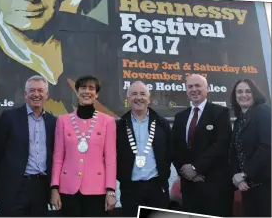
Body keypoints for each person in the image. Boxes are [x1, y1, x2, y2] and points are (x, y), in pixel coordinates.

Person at [50, 75, 117, 216]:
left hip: (97, 190)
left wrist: (111, 190)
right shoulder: (63, 120)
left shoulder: (108, 121)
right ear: (76, 91)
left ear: (96, 94)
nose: (87, 91)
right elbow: (58, 157)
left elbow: (111, 159)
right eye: (83, 88)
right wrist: (54, 188)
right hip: (68, 189)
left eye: (91, 88)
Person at [0, 75, 57, 216]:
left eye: (40, 90)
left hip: (41, 189)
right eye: (32, 90)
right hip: (14, 188)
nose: (36, 94)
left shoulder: (53, 122)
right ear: (25, 94)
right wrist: (6, 179)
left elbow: (54, 155)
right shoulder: (9, 117)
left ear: (47, 94)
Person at [171, 74, 233, 217]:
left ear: (207, 89)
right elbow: (173, 148)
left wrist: (196, 168)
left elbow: (222, 145)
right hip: (189, 188)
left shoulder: (220, 112)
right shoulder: (180, 116)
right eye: (190, 86)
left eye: (198, 85)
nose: (194, 89)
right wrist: (185, 171)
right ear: (186, 91)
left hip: (215, 186)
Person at [116, 81, 171, 217]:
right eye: (134, 94)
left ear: (149, 98)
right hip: (130, 189)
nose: (138, 97)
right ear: (128, 99)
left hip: (157, 187)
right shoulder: (119, 126)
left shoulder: (161, 123)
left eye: (142, 94)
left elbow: (171, 151)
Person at [229, 79, 271, 217]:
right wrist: (238, 177)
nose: (244, 95)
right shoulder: (238, 121)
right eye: (239, 91)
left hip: (266, 186)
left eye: (248, 91)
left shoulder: (263, 112)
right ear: (235, 96)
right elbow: (234, 152)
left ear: (255, 94)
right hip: (248, 187)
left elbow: (267, 146)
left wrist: (244, 173)